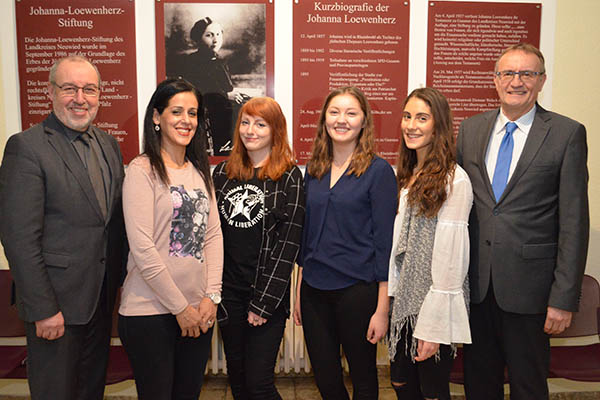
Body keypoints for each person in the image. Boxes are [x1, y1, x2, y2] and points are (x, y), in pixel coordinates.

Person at [457, 43, 589, 400]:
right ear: (495, 80)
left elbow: (574, 223)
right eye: (508, 73)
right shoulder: (470, 131)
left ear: (542, 80)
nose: (517, 81)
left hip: (531, 293)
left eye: (527, 73)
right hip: (477, 289)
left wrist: (563, 298)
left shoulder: (566, 134)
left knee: (528, 387)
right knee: (478, 385)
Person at [0, 56, 127, 400]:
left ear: (100, 95)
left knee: (90, 391)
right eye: (70, 88)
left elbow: (112, 225)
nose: (80, 98)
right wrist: (44, 309)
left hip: (99, 302)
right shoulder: (27, 147)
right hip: (55, 309)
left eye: (89, 89)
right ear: (51, 92)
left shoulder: (109, 145)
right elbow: (19, 237)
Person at [118, 78, 223, 400]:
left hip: (197, 311)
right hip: (150, 312)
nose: (186, 120)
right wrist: (181, 308)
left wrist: (211, 297)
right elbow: (143, 248)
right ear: (156, 117)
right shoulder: (141, 169)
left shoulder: (199, 171)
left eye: (192, 113)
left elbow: (213, 235)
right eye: (176, 111)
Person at [294, 86, 398, 399]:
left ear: (364, 122)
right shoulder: (313, 169)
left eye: (351, 113)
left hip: (358, 292)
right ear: (324, 119)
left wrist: (382, 309)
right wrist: (299, 291)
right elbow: (306, 236)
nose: (342, 120)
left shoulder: (378, 172)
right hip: (314, 291)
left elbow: (385, 245)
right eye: (335, 112)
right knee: (326, 380)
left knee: (364, 378)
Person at [212, 97, 305, 399]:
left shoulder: (289, 176)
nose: (250, 130)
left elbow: (289, 245)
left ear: (275, 131)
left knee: (259, 384)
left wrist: (263, 304)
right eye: (245, 122)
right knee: (237, 380)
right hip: (228, 296)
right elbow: (213, 238)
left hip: (266, 296)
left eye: (260, 124)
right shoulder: (222, 174)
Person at [388, 88, 472, 400]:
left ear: (438, 126)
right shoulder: (407, 174)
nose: (411, 125)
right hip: (404, 305)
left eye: (422, 118)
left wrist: (434, 327)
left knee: (432, 391)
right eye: (407, 116)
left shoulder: (454, 180)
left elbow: (451, 259)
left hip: (432, 307)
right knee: (403, 386)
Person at [171, 17, 249, 156]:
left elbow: (226, 86)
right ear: (198, 38)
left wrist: (233, 93)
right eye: (209, 35)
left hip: (224, 106)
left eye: (218, 34)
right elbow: (198, 90)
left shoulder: (219, 61)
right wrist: (226, 95)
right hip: (210, 110)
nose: (215, 40)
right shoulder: (192, 62)